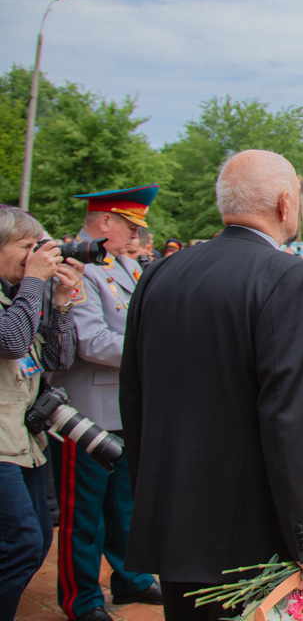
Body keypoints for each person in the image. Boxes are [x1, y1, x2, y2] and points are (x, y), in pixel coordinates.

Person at [120, 150, 303, 621]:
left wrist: (154, 498)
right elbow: (292, 419)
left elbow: (134, 398)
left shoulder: (159, 273)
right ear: (285, 203)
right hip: (252, 534)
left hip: (176, 522)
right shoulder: (289, 276)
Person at [49, 186, 163, 621]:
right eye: (130, 226)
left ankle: (130, 578)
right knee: (85, 513)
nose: (135, 236)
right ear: (104, 223)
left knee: (125, 504)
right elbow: (89, 341)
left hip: (123, 405)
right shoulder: (74, 267)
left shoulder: (123, 265)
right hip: (87, 410)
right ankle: (81, 598)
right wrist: (154, 350)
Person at [1, 208, 83, 621]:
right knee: (21, 544)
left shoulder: (18, 294)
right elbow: (12, 341)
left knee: (36, 541)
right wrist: (34, 280)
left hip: (25, 441)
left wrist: (63, 305)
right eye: (25, 247)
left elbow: (57, 358)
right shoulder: (20, 293)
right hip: (2, 447)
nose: (36, 255)